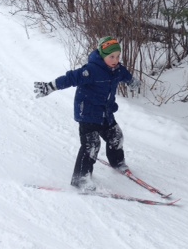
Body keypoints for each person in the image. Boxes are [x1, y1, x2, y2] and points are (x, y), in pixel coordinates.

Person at [34, 36, 141, 191]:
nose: (115, 60)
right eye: (111, 56)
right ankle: (80, 178)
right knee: (91, 145)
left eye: (118, 56)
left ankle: (117, 162)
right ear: (103, 56)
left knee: (116, 136)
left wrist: (132, 82)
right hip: (88, 113)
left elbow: (126, 76)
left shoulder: (118, 70)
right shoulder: (91, 70)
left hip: (105, 112)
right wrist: (50, 86)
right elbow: (71, 78)